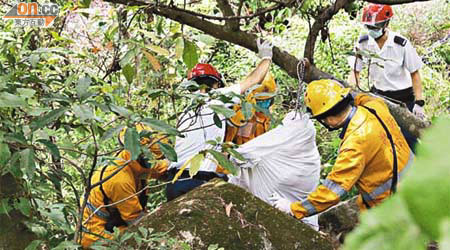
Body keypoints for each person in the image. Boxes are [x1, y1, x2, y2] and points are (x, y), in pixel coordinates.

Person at [269, 79, 414, 220]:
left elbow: (333, 191)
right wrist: (333, 90)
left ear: (329, 120)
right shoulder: (375, 106)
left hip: (393, 207)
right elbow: (361, 97)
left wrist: (294, 209)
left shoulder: (354, 144)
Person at [165, 39, 273, 201]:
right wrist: (266, 57)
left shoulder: (187, 112)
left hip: (174, 183)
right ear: (215, 84)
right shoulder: (215, 99)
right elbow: (254, 80)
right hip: (197, 182)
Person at [347, 3, 425, 151]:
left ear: (386, 24)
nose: (372, 31)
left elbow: (414, 73)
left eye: (375, 27)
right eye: (369, 27)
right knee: (382, 136)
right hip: (379, 96)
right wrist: (352, 92)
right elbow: (355, 72)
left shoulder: (401, 44)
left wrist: (419, 102)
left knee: (409, 139)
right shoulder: (363, 43)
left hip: (403, 98)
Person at [228, 111, 321, 230]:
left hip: (291, 219)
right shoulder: (308, 155)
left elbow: (241, 156)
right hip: (302, 220)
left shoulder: (301, 163)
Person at [80, 123, 169, 248]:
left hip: (116, 224)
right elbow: (135, 220)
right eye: (150, 158)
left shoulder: (136, 162)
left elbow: (160, 168)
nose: (153, 162)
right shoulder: (119, 178)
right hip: (97, 237)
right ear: (139, 154)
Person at [225, 72, 277, 145]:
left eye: (268, 100)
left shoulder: (265, 115)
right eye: (261, 101)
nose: (265, 103)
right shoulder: (242, 115)